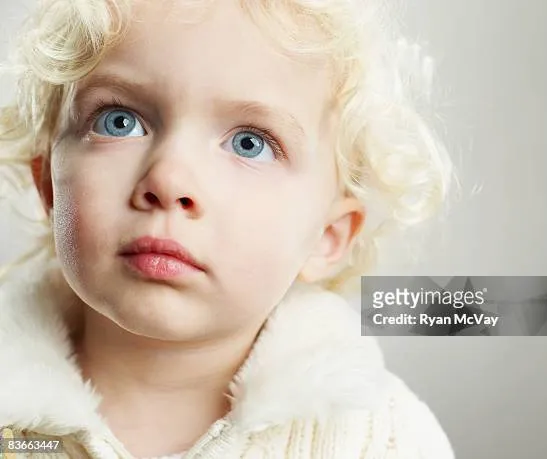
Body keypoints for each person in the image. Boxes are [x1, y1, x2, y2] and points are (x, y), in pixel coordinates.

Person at [0, 0, 457, 457]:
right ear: (49, 186)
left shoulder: (382, 439)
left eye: (250, 143)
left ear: (327, 236)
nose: (168, 179)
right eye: (119, 121)